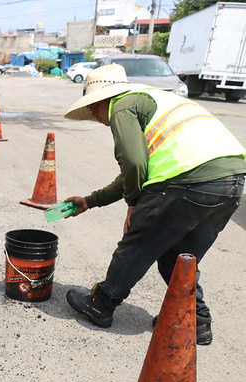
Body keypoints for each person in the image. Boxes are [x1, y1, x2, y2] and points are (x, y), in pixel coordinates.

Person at [62, 64, 246, 345]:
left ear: (104, 99)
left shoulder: (122, 106)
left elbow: (133, 163)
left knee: (137, 245)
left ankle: (101, 305)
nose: (94, 115)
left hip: (186, 182)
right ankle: (196, 321)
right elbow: (138, 171)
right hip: (230, 183)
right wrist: (90, 201)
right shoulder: (159, 100)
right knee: (180, 258)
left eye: (93, 108)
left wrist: (134, 205)